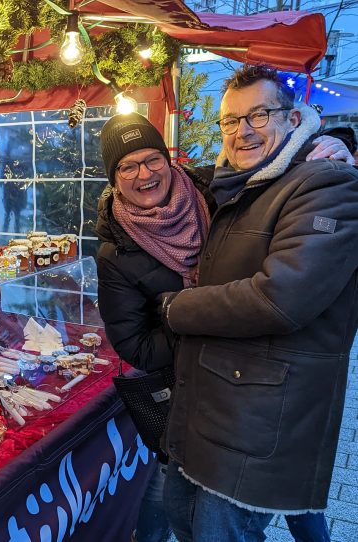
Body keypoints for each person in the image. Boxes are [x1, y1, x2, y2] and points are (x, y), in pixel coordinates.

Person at [96, 111, 352, 542]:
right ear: (114, 177)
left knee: (285, 486)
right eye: (127, 165)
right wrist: (206, 326)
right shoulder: (116, 252)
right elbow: (135, 345)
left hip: (266, 380)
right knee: (186, 507)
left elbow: (271, 159)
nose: (145, 174)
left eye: (152, 158)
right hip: (193, 394)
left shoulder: (215, 188)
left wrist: (329, 145)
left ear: (169, 159)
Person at [158, 65, 358, 541]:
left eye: (259, 115)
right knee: (181, 521)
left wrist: (176, 309)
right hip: (213, 411)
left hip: (260, 422)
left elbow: (280, 299)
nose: (242, 131)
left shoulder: (327, 184)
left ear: (292, 119)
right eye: (230, 120)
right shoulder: (239, 186)